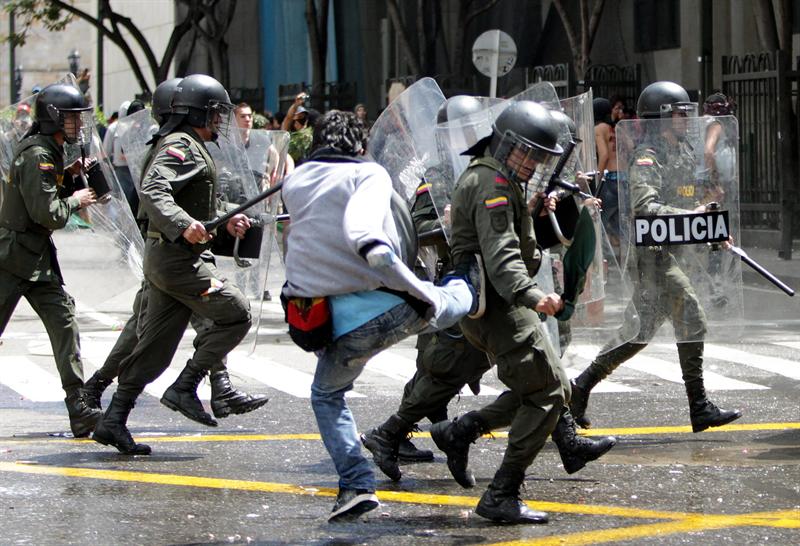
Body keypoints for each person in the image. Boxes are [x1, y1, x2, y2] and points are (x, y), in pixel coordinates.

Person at [281, 109, 479, 522]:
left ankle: (355, 484)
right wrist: (421, 290)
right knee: (448, 302)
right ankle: (470, 285)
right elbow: (367, 236)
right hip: (387, 308)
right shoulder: (369, 174)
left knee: (326, 394)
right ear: (361, 146)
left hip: (328, 322)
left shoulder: (296, 181)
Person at [430, 100, 614, 525]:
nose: (532, 163)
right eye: (525, 152)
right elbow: (502, 256)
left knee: (549, 389)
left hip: (501, 305)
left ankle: (460, 431)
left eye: (538, 156)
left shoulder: (495, 178)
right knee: (549, 393)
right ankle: (502, 492)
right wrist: (533, 295)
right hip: (502, 307)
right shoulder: (492, 184)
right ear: (504, 143)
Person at [82, 79, 268, 422]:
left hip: (177, 257)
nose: (220, 122)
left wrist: (223, 223)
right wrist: (184, 225)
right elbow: (156, 191)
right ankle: (186, 386)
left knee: (154, 345)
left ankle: (114, 418)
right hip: (176, 258)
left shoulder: (192, 145)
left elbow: (196, 203)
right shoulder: (179, 144)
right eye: (214, 114)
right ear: (195, 112)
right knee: (233, 312)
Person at [569, 81, 743, 433]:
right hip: (652, 258)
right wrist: (691, 218)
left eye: (685, 112)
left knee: (637, 332)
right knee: (692, 317)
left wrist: (710, 224)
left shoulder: (684, 150)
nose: (684, 118)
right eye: (678, 113)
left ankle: (579, 388)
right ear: (661, 117)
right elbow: (646, 208)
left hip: (675, 254)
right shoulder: (649, 155)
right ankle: (700, 407)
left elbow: (691, 198)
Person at [361, 96, 492, 476]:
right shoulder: (437, 175)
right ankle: (393, 433)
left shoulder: (482, 167)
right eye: (465, 129)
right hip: (457, 280)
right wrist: (450, 225)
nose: (473, 134)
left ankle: (400, 430)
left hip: (487, 280)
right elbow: (419, 231)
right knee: (442, 366)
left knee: (449, 366)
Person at [0, 83, 101, 437]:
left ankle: (79, 406)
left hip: (36, 258)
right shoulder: (38, 154)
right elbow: (49, 213)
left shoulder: (50, 152)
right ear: (54, 118)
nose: (77, 124)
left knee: (64, 323)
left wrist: (69, 175)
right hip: (11, 257)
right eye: (72, 118)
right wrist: (77, 198)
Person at [593, 97, 620, 245]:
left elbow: (603, 155)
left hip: (609, 179)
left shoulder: (598, 129)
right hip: (623, 178)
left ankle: (602, 262)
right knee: (620, 226)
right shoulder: (616, 128)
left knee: (598, 224)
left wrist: (597, 177)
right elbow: (629, 147)